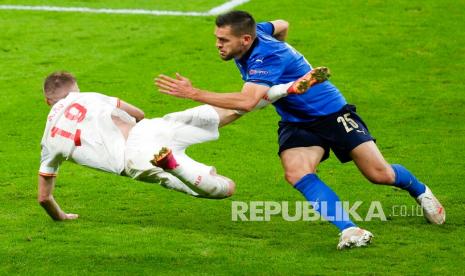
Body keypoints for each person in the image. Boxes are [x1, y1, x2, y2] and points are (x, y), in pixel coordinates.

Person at [154, 10, 445, 249]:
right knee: (296, 173)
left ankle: (420, 191)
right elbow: (282, 24)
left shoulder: (266, 56)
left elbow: (247, 101)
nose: (218, 45)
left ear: (245, 39)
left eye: (223, 40)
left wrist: (193, 93)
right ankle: (350, 229)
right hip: (295, 120)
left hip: (332, 113)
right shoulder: (259, 33)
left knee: (380, 175)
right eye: (217, 38)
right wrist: (291, 68)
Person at [38, 71, 241, 221]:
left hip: (135, 159)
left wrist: (61, 217)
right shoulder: (87, 96)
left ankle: (174, 167)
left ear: (49, 101)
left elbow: (44, 198)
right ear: (75, 88)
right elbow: (139, 113)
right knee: (222, 114)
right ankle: (268, 91)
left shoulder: (48, 141)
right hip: (149, 129)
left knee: (226, 187)